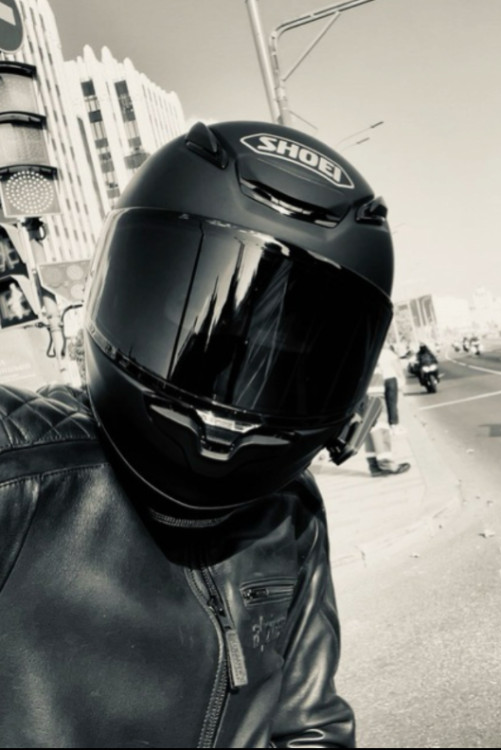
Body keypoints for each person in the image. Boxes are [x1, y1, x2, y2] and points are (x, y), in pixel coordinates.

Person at [0, 121, 396, 747]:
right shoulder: (21, 472)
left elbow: (309, 724)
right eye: (203, 338)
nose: (230, 408)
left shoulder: (290, 513)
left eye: (283, 359)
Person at [362, 362, 411, 477]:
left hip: (365, 399)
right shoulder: (384, 361)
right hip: (377, 400)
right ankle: (387, 465)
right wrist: (393, 421)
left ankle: (374, 466)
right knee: (381, 431)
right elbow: (391, 393)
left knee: (369, 433)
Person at [378, 342, 405, 431]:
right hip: (391, 378)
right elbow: (397, 366)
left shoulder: (376, 354)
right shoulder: (389, 353)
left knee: (383, 402)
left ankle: (384, 422)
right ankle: (393, 423)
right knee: (392, 402)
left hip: (380, 379)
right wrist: (402, 377)